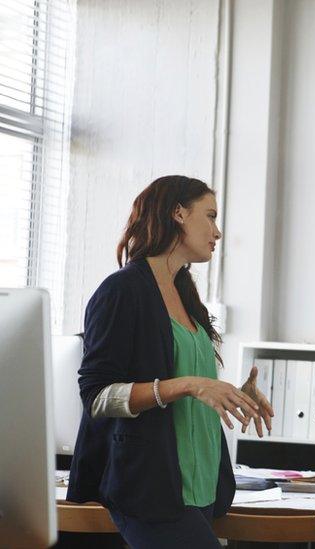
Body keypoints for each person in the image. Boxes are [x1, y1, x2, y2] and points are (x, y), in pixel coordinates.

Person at [67, 175, 274, 548]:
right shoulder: (122, 290)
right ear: (178, 213)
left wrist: (232, 394)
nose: (218, 232)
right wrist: (190, 385)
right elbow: (98, 397)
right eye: (209, 216)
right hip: (149, 487)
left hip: (200, 485)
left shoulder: (185, 293)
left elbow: (191, 382)